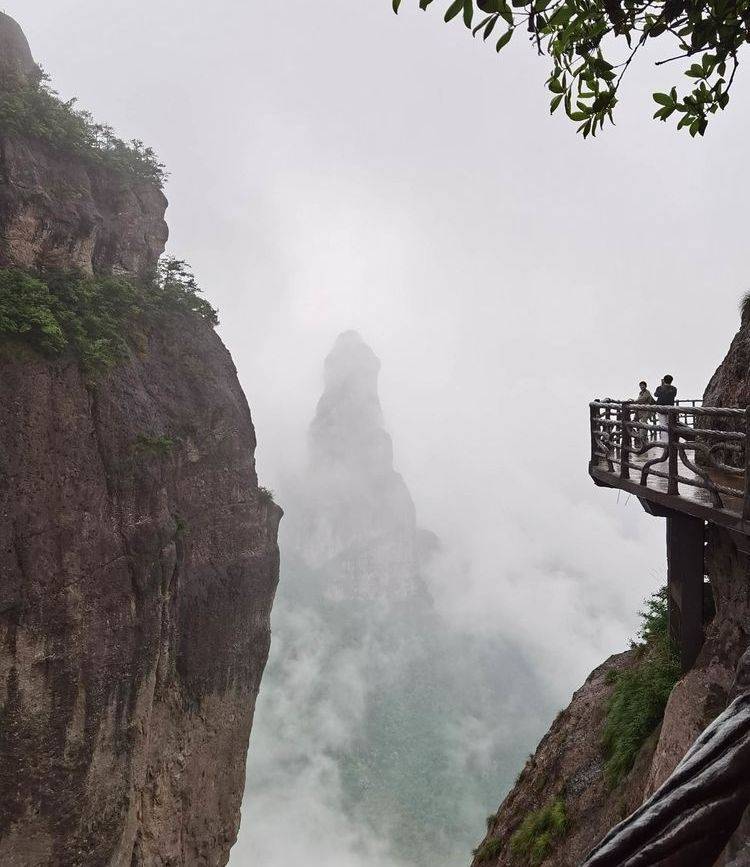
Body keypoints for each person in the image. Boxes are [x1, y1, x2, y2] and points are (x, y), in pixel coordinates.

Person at [654, 375, 677, 442]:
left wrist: (662, 385)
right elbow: (673, 395)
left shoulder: (659, 388)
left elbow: (655, 394)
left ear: (664, 380)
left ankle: (665, 442)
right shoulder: (674, 389)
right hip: (670, 410)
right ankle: (671, 440)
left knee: (663, 425)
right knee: (670, 424)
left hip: (660, 409)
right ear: (671, 381)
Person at [635, 381, 655, 446]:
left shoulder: (647, 392)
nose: (641, 387)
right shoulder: (640, 393)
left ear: (645, 386)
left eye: (643, 385)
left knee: (643, 423)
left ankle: (642, 438)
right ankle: (643, 437)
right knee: (643, 423)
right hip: (642, 410)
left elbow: (642, 400)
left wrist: (634, 401)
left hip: (647, 410)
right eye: (640, 385)